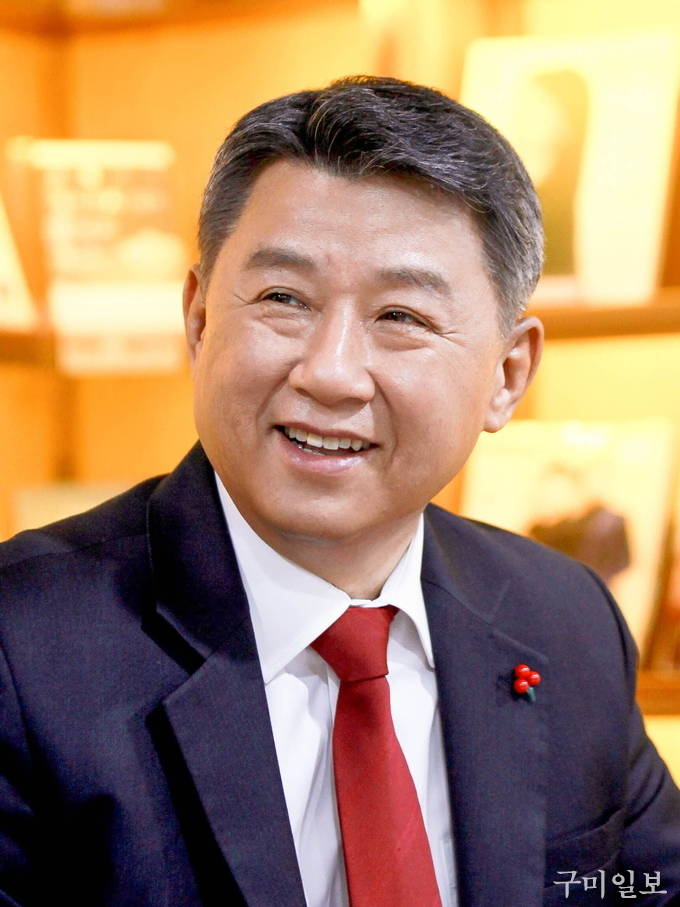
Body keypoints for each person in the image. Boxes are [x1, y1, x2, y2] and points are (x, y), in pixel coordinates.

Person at [0, 76, 678, 907]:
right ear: (199, 319)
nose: (329, 372)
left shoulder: (564, 620)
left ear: (507, 375)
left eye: (402, 317)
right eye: (284, 298)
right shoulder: (20, 648)